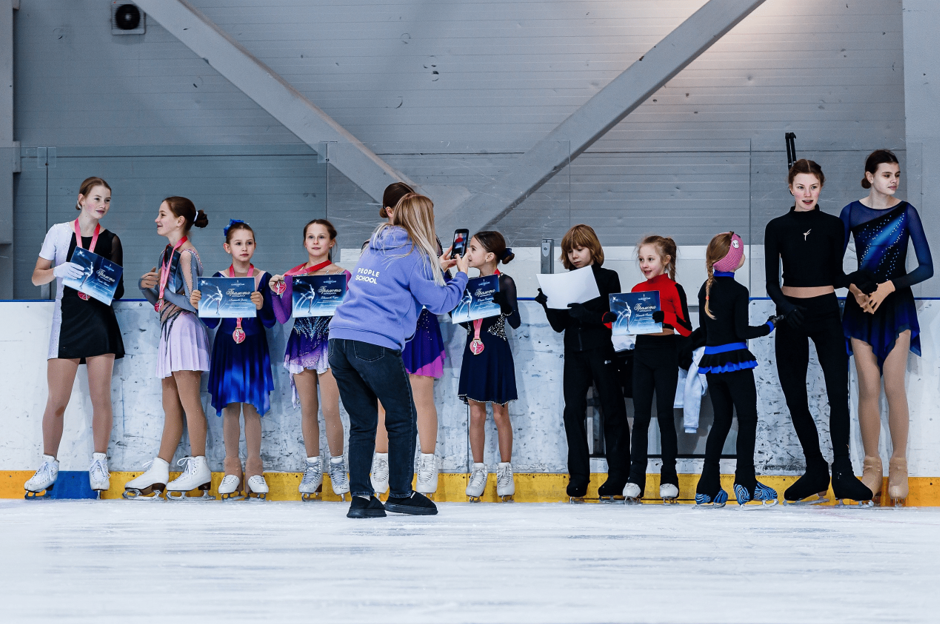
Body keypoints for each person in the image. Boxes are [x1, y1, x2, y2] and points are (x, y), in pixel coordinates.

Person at [329, 192, 469, 518]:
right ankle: (401, 494)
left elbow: (400, 278)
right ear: (424, 219)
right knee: (403, 419)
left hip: (339, 341)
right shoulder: (416, 254)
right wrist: (460, 273)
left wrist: (436, 266)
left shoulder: (375, 246)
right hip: (375, 344)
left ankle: (362, 499)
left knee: (363, 423)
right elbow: (441, 303)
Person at [764, 159, 874, 505]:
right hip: (792, 315)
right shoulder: (776, 227)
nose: (807, 193)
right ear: (790, 188)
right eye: (801, 187)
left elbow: (836, 274)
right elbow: (771, 282)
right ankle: (815, 470)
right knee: (795, 396)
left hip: (827, 313)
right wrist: (785, 308)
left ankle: (842, 470)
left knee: (837, 393)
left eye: (813, 186)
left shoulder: (832, 225)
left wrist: (859, 280)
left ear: (821, 187)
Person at [841, 149, 933, 505]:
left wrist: (891, 286)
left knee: (894, 387)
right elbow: (837, 265)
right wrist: (856, 290)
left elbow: (926, 267)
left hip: (896, 306)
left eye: (896, 174)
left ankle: (898, 465)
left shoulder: (906, 212)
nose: (893, 180)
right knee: (868, 388)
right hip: (860, 307)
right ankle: (871, 467)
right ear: (869, 176)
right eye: (886, 175)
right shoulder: (851, 212)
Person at [24, 177, 124, 498]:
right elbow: (37, 276)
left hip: (99, 322)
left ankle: (98, 462)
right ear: (81, 199)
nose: (102, 205)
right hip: (67, 323)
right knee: (57, 401)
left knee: (100, 399)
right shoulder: (58, 232)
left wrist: (101, 276)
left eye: (107, 200)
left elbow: (117, 290)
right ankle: (49, 464)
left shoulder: (111, 239)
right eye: (97, 198)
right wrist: (59, 270)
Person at [535, 224, 630, 501]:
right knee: (572, 412)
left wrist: (585, 314)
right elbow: (559, 325)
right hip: (574, 353)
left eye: (580, 249)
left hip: (602, 349)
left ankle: (617, 476)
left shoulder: (608, 277)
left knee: (612, 409)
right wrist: (546, 303)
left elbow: (612, 319)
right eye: (570, 251)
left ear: (592, 249)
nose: (574, 255)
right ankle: (578, 476)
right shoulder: (565, 281)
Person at [125, 197, 212, 500]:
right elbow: (162, 303)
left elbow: (192, 303)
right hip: (169, 329)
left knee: (189, 403)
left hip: (186, 329)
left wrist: (164, 287)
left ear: (179, 221)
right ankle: (161, 467)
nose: (156, 219)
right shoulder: (167, 253)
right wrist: (147, 287)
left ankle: (199, 465)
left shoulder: (186, 254)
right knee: (170, 405)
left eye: (162, 214)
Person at [370, 182, 446, 499]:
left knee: (421, 399)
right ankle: (381, 461)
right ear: (390, 211)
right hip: (387, 329)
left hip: (423, 328)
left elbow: (437, 290)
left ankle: (426, 463)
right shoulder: (374, 244)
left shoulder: (431, 243)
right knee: (384, 403)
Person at [190, 220, 276, 501]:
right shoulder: (217, 278)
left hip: (252, 348)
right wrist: (198, 305)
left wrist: (263, 305)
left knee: (252, 408)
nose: (244, 248)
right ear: (227, 247)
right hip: (228, 348)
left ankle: (254, 469)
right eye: (238, 243)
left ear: (255, 246)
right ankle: (231, 468)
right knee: (229, 408)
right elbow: (212, 322)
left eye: (249, 242)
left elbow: (271, 321)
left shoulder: (263, 278)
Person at [694, 232, 780, 507]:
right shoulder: (738, 291)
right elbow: (741, 331)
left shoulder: (704, 290)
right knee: (747, 419)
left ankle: (707, 488)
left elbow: (704, 332)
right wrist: (769, 326)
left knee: (720, 422)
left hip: (713, 364)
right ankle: (745, 483)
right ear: (733, 259)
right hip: (737, 362)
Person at [269, 219, 351, 501]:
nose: (316, 242)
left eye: (322, 237)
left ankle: (338, 467)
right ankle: (313, 466)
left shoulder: (343, 276)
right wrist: (276, 292)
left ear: (331, 242)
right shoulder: (291, 276)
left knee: (330, 410)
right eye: (311, 237)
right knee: (308, 411)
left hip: (330, 347)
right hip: (302, 344)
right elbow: (282, 316)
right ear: (304, 242)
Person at [622, 236, 692, 503]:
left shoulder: (675, 288)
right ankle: (634, 478)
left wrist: (668, 318)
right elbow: (626, 325)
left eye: (650, 259)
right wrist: (610, 321)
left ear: (665, 260)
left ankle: (669, 478)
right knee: (639, 419)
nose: (644, 264)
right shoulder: (637, 288)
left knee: (664, 417)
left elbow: (686, 329)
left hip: (665, 354)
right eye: (641, 259)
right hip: (641, 353)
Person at [458, 231, 521, 502]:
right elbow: (464, 321)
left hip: (496, 347)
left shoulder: (505, 281)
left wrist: (503, 305)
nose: (467, 254)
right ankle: (479, 470)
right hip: (474, 347)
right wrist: (458, 311)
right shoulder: (468, 283)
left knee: (499, 412)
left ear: (489, 256)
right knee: (475, 413)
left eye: (472, 249)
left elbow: (515, 321)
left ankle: (505, 470)